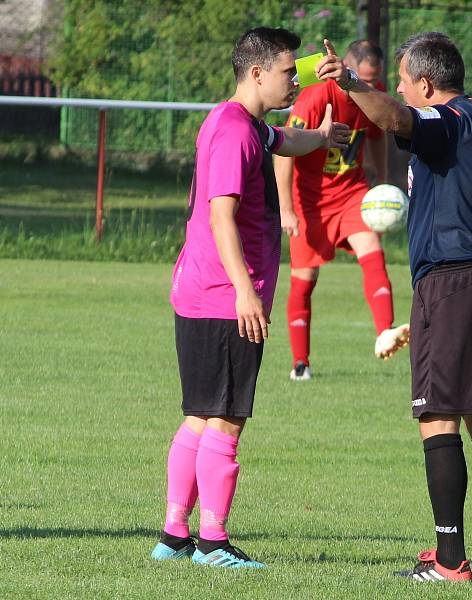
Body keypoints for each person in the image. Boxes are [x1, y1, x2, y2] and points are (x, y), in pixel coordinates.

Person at [318, 32, 472, 582]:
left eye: (401, 80)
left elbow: (396, 121)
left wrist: (347, 81)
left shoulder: (446, 121)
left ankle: (448, 560)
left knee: (437, 415)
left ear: (425, 83)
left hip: (453, 280)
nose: (397, 89)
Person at [150, 27, 350, 569]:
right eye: (288, 73)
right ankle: (213, 543)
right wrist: (244, 292)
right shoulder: (236, 133)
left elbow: (287, 139)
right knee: (227, 419)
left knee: (199, 415)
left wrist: (325, 137)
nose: (295, 81)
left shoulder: (245, 123)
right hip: (224, 297)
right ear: (257, 74)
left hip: (200, 292)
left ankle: (173, 535)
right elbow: (221, 217)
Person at [274, 40, 409, 382]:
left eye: (373, 78)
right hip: (310, 201)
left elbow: (378, 135)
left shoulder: (371, 93)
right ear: (345, 68)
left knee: (373, 253)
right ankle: (300, 363)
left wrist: (381, 180)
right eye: (359, 76)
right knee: (304, 282)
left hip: (352, 192)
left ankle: (385, 331)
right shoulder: (316, 97)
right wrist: (286, 209)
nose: (366, 84)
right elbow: (282, 150)